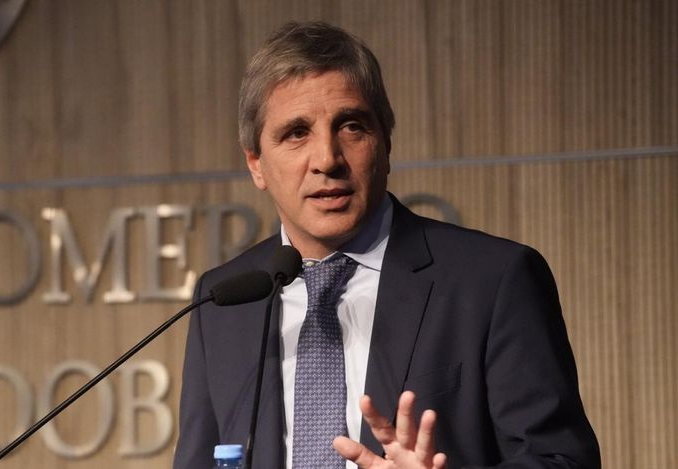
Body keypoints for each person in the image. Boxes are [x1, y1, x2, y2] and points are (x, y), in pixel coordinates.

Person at [173, 21, 600, 469]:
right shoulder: (222, 299)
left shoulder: (494, 280)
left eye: (351, 126)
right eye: (296, 133)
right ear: (256, 164)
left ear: (386, 142)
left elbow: (562, 459)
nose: (327, 160)